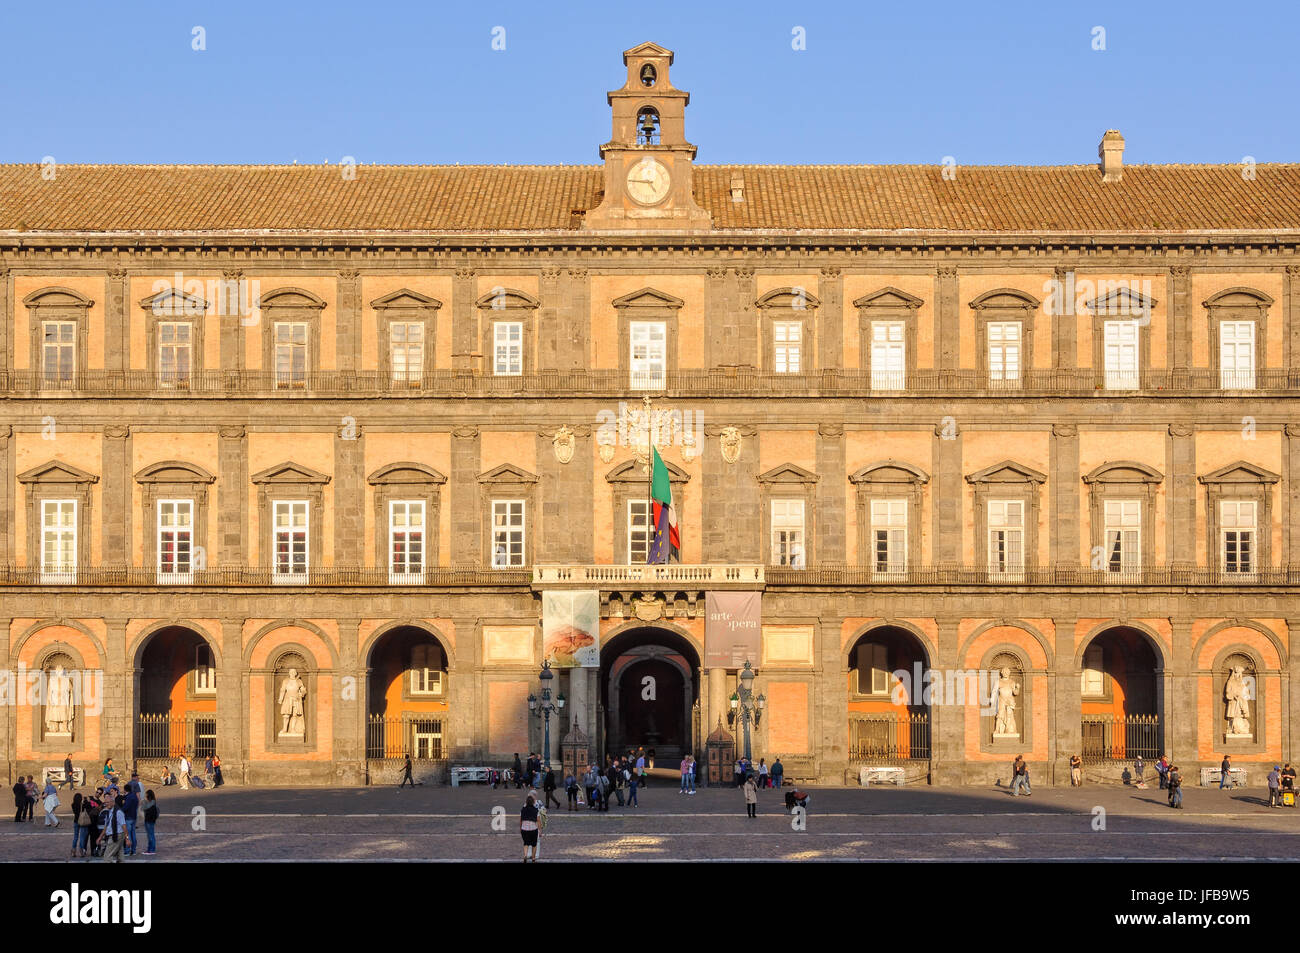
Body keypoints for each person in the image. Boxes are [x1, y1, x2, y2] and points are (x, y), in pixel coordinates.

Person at [96, 795, 127, 863]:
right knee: (120, 857)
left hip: (116, 835)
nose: (106, 804)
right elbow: (106, 826)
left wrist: (127, 839)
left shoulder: (118, 812)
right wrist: (100, 837)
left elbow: (124, 826)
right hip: (114, 835)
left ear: (113, 802)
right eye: (105, 803)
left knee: (107, 857)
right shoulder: (109, 812)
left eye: (108, 802)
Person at [519, 794, 540, 862]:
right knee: (534, 844)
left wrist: (520, 828)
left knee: (526, 843)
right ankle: (533, 858)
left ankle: (525, 855)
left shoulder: (523, 810)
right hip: (533, 829)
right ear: (533, 802)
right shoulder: (536, 810)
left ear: (526, 802)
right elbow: (538, 821)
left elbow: (521, 820)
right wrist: (540, 830)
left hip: (524, 828)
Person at [122, 782, 139, 856]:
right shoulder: (134, 796)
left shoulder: (128, 797)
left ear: (125, 790)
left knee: (128, 835)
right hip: (134, 816)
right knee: (133, 834)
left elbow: (126, 807)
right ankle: (134, 850)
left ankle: (127, 850)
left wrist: (120, 809)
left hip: (128, 817)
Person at [142, 790, 158, 855]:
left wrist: (144, 802)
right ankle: (150, 849)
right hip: (150, 820)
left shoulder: (151, 802)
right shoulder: (152, 802)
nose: (145, 796)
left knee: (150, 835)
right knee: (150, 835)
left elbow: (144, 808)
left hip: (149, 821)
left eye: (146, 795)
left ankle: (151, 849)